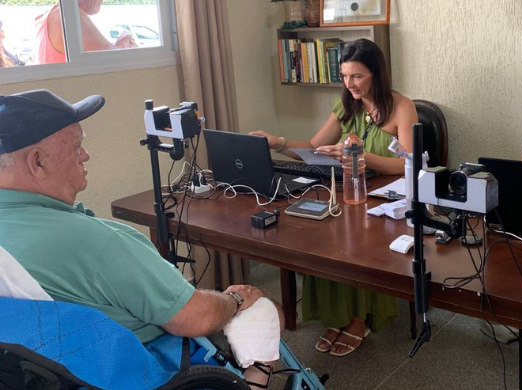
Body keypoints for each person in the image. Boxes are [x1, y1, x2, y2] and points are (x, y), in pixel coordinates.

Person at [0, 89, 279, 389]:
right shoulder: (97, 242)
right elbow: (195, 317)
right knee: (267, 308)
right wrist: (236, 298)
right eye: (76, 147)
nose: (85, 155)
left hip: (60, 369)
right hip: (151, 367)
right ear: (37, 162)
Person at [251, 38, 418, 356]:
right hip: (347, 192)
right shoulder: (346, 105)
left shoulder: (401, 106)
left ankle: (359, 318)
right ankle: (337, 315)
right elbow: (313, 148)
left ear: (376, 73)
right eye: (344, 76)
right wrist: (278, 142)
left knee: (358, 237)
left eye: (357, 76)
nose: (349, 83)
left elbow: (408, 163)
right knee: (323, 233)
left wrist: (362, 156)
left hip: (386, 199)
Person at [33, 0, 137, 64]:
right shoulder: (70, 16)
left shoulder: (50, 15)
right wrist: (125, 47)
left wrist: (117, 46)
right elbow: (115, 60)